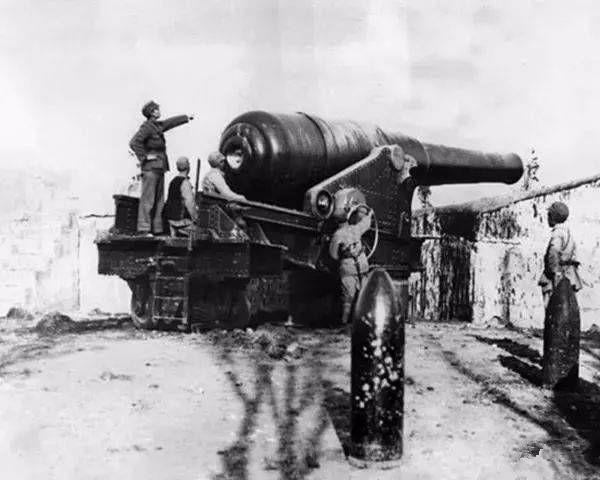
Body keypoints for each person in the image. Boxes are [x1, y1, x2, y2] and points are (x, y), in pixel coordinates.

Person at [129, 101, 194, 235]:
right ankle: (144, 228)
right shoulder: (147, 127)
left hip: (159, 167)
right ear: (152, 112)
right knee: (148, 199)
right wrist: (145, 156)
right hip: (150, 169)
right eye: (156, 109)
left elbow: (170, 123)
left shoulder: (157, 126)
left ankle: (157, 229)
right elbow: (134, 142)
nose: (159, 111)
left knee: (159, 200)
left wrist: (186, 118)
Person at [329, 205, 374, 324]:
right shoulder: (356, 229)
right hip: (362, 267)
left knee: (348, 300)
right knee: (365, 298)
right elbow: (367, 223)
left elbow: (333, 255)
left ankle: (344, 324)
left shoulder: (337, 235)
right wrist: (369, 214)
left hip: (348, 270)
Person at [538, 201, 582, 308]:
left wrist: (556, 273)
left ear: (553, 217)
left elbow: (553, 253)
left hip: (556, 278)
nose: (547, 218)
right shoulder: (568, 233)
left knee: (552, 310)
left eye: (549, 215)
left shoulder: (557, 234)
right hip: (569, 276)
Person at [163, 156, 198, 237]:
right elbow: (190, 203)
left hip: (170, 219)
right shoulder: (185, 182)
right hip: (180, 221)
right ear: (188, 167)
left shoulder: (173, 181)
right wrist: (196, 218)